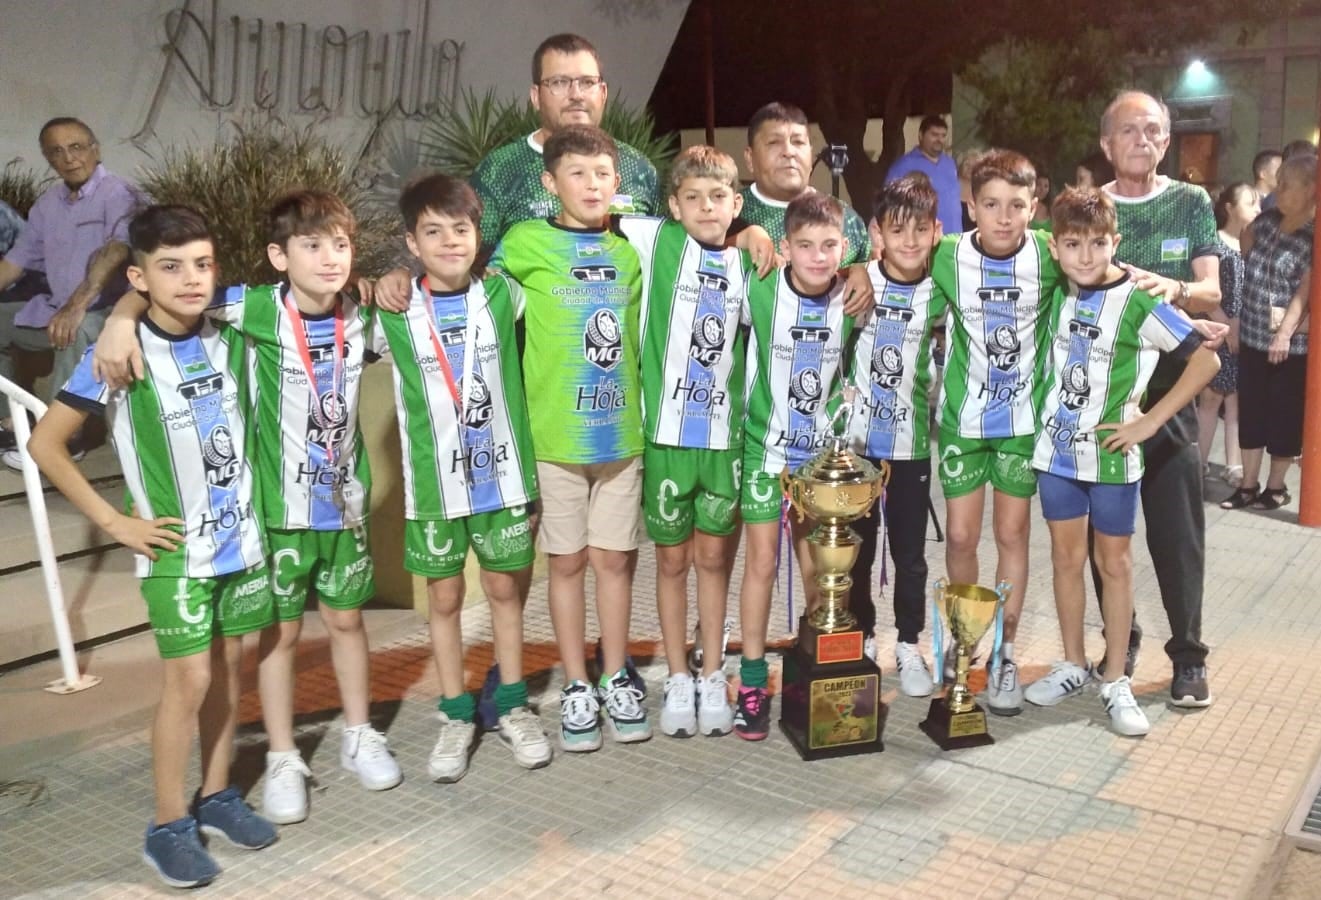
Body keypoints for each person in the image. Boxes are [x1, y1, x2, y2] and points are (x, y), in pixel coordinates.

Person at [96, 190, 404, 824]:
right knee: (279, 636)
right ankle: (284, 755)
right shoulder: (253, 308)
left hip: (343, 506)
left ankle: (357, 732)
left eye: (340, 246)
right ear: (277, 255)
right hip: (273, 511)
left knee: (348, 623)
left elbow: (417, 290)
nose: (329, 259)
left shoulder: (365, 315)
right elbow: (160, 289)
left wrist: (393, 277)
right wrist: (119, 318)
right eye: (312, 246)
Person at [29, 206, 277, 887]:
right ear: (139, 276)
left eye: (202, 264)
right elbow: (43, 446)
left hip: (241, 539)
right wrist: (116, 524)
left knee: (230, 668)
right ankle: (167, 825)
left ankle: (219, 795)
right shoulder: (118, 353)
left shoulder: (230, 322)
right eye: (170, 268)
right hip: (174, 549)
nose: (191, 279)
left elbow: (308, 281)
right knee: (189, 680)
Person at [367, 174, 553, 779]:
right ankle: (454, 714)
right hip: (433, 489)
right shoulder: (392, 312)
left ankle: (512, 704)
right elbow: (308, 301)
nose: (450, 242)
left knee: (505, 593)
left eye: (462, 229)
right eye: (434, 232)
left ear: (479, 236)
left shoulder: (506, 296)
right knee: (444, 599)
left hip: (502, 478)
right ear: (412, 243)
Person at [1023, 187, 1220, 737]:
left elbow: (1206, 360)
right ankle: (1071, 663)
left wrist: (1149, 422)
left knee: (1115, 564)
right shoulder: (1056, 290)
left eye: (1097, 243)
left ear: (1117, 242)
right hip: (1057, 453)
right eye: (1072, 244)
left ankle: (1115, 678)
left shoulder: (1139, 301)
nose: (1086, 255)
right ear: (1057, 248)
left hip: (1112, 457)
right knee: (1065, 560)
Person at [487, 125, 650, 751]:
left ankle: (614, 674)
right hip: (554, 439)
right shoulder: (524, 243)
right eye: (577, 174)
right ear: (550, 182)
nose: (591, 185)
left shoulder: (629, 253)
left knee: (613, 561)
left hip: (620, 438)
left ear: (617, 183)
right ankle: (576, 685)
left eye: (602, 174)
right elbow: (477, 300)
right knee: (568, 562)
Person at [620, 146, 773, 738]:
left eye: (719, 198)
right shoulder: (654, 242)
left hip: (722, 443)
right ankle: (678, 673)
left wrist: (757, 229)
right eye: (693, 198)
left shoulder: (749, 264)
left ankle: (714, 671)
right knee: (672, 561)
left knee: (714, 561)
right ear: (672, 206)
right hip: (665, 439)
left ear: (736, 203)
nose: (707, 208)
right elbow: (584, 211)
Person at [1095, 90, 1223, 708]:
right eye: (1129, 131)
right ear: (1106, 144)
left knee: (1177, 532)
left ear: (1167, 142)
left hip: (1171, 387)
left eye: (1153, 131)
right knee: (1106, 534)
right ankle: (1121, 640)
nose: (1142, 141)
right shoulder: (1089, 209)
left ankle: (1189, 656)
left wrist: (1172, 287)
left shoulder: (1190, 201)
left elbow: (1210, 288)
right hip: (1104, 392)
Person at [931, 149, 1062, 716]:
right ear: (970, 206)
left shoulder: (1053, 253)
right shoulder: (946, 255)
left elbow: (1106, 268)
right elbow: (884, 255)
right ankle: (965, 646)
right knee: (960, 539)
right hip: (963, 421)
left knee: (1012, 537)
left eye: (1016, 206)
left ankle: (1006, 653)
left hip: (1021, 426)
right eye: (991, 205)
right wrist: (863, 264)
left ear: (1035, 207)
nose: (1004, 218)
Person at [736, 192, 856, 740]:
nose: (817, 256)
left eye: (829, 246)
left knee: (821, 567)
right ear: (784, 248)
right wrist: (745, 231)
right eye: (804, 246)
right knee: (761, 564)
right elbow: (722, 240)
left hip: (820, 463)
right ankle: (753, 681)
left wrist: (865, 272)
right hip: (764, 450)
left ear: (844, 248)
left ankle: (817, 667)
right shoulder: (760, 284)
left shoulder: (853, 297)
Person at [844, 173, 946, 697]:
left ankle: (909, 644)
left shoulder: (941, 292)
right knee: (856, 552)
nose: (909, 240)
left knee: (910, 553)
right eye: (896, 229)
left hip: (910, 448)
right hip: (858, 450)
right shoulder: (857, 285)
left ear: (936, 231)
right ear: (877, 232)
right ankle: (860, 638)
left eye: (920, 229)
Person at [0, 117, 140, 463]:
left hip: (109, 310)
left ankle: (61, 437)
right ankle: (11, 422)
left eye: (76, 147)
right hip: (55, 308)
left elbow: (116, 250)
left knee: (76, 330)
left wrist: (78, 303)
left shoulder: (119, 194)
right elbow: (14, 264)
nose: (69, 158)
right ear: (48, 159)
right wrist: (67, 307)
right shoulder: (46, 206)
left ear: (95, 150)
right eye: (56, 151)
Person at [469, 33, 660, 258]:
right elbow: (475, 266)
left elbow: (659, 259)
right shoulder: (498, 171)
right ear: (536, 97)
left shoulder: (638, 170)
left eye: (587, 82)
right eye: (559, 82)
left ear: (603, 93)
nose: (576, 95)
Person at [1219, 153, 1316, 512]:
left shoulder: (1312, 238)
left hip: (1291, 345)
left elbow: (1304, 293)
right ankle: (1247, 485)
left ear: (1311, 190)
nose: (1279, 190)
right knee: (1252, 412)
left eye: (1288, 184)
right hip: (1253, 337)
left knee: (1284, 415)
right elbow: (1246, 249)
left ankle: (1275, 488)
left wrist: (1285, 334)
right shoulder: (1264, 224)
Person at [738, 102, 872, 263]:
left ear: (810, 152)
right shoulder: (727, 214)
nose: (789, 152)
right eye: (774, 142)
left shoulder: (847, 219)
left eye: (798, 142)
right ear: (749, 158)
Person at [1196, 182, 1259, 485]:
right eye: (1251, 203)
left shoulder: (1250, 245)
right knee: (1210, 399)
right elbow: (1207, 296)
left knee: (1236, 401)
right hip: (1217, 331)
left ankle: (1234, 465)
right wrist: (1225, 327)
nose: (1257, 210)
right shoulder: (1214, 245)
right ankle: (1199, 461)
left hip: (1242, 332)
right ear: (1230, 208)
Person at [886, 115, 963, 235]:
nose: (939, 139)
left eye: (943, 135)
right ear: (921, 135)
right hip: (923, 239)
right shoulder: (904, 165)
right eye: (934, 135)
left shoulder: (950, 163)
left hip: (955, 237)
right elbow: (889, 204)